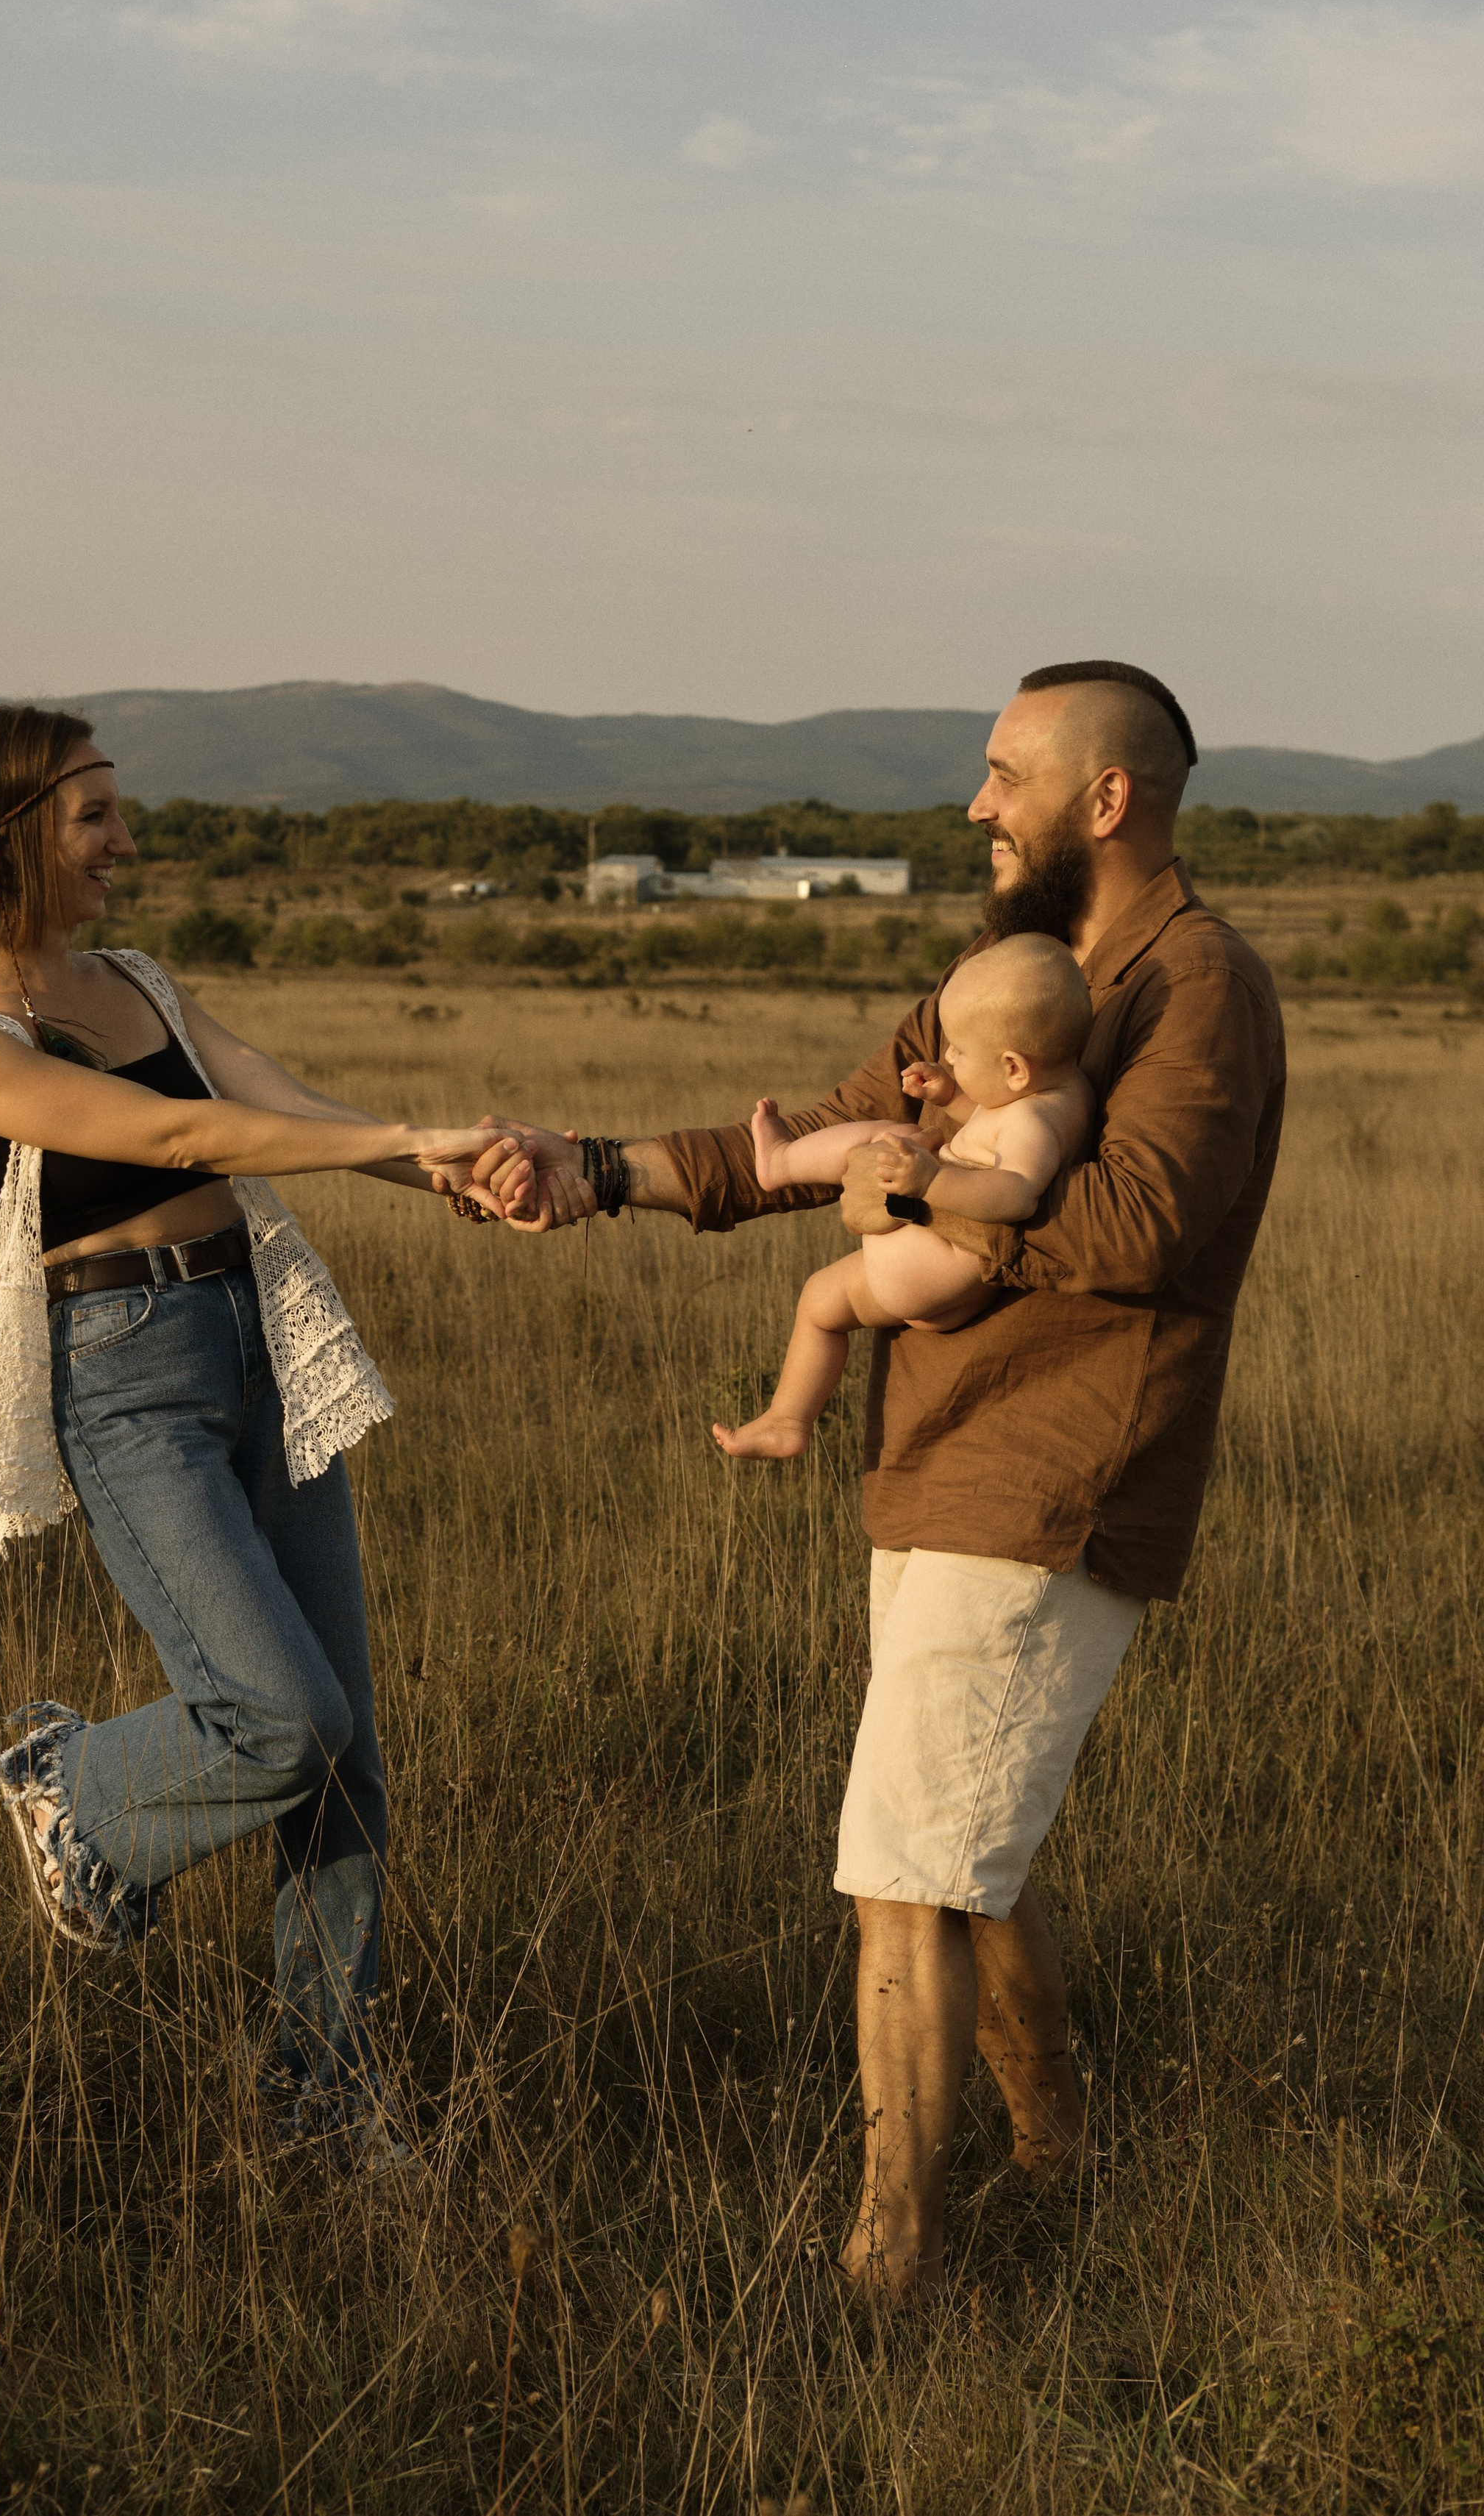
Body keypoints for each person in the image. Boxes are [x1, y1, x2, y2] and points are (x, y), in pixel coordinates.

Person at [464, 660, 1285, 2292]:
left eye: (1004, 776)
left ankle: (885, 2264)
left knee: (904, 1866)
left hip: (1056, 1471)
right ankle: (1058, 2169)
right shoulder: (1010, 976)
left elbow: (1140, 1225)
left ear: (1105, 796)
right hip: (935, 1455)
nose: (977, 805)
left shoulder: (1197, 983)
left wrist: (911, 1202)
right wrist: (597, 1169)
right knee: (969, 1852)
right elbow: (827, 1136)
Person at [0, 703, 534, 2150]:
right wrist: (399, 1142)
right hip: (126, 1376)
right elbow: (182, 1136)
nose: (125, 841)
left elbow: (266, 1098)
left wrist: (434, 1164)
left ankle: (323, 2099)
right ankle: (72, 1787)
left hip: (256, 1344)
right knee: (281, 1717)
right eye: (95, 815)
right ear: (10, 834)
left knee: (346, 1759)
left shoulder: (134, 979)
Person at [712, 934, 1094, 1458]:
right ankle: (788, 1420)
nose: (949, 1055)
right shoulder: (1061, 1094)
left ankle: (781, 1164)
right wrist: (951, 1094)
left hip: (928, 1266)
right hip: (943, 1290)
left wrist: (930, 1182)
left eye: (960, 1051)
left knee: (893, 1137)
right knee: (820, 1301)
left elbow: (1016, 1193)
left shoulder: (1033, 1121)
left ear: (1013, 1067)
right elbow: (992, 1129)